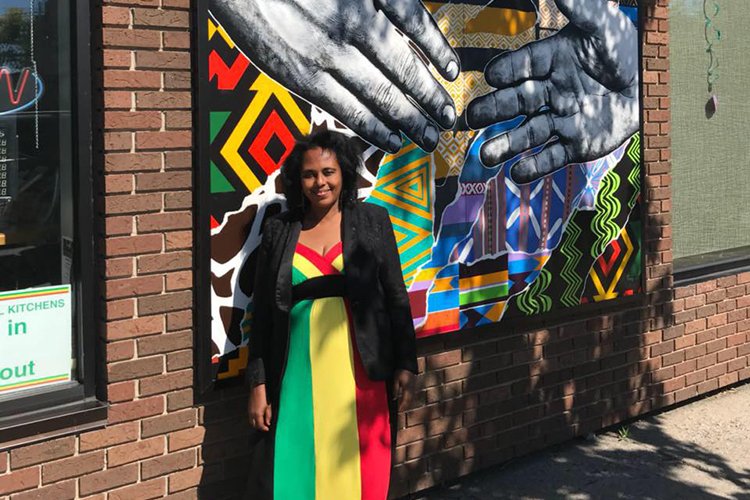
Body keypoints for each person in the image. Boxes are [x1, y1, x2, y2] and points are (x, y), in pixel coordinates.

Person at [244, 130, 418, 500]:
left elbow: (396, 297)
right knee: (293, 467)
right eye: (309, 174)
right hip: (294, 374)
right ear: (298, 179)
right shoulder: (279, 229)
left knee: (360, 471)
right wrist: (258, 385)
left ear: (344, 174)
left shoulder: (373, 221)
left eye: (328, 172)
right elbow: (261, 315)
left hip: (361, 372)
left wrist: (406, 362)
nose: (319, 182)